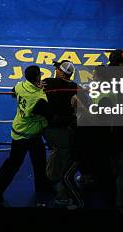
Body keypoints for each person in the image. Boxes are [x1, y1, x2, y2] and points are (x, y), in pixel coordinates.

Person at [0, 65, 51, 203]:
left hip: (19, 130)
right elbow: (48, 114)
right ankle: (42, 189)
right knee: (33, 163)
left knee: (18, 163)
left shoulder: (20, 86)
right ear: (38, 77)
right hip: (30, 134)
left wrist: (36, 86)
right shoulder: (39, 98)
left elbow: (14, 91)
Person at [42, 60, 82, 208]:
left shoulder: (47, 82)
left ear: (61, 72)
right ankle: (55, 179)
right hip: (65, 128)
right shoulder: (75, 88)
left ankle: (61, 191)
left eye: (57, 68)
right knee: (63, 153)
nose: (55, 69)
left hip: (47, 128)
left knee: (59, 153)